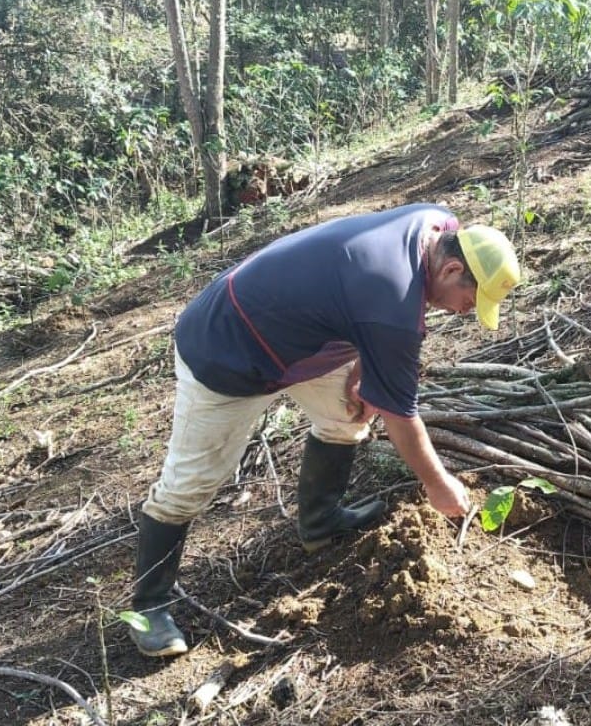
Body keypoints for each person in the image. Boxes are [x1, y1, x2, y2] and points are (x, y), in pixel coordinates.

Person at [130, 203, 521, 657]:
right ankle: (149, 607)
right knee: (190, 486)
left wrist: (363, 360)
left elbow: (356, 292)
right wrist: (438, 484)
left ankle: (320, 522)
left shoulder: (437, 224)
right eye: (469, 301)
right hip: (227, 349)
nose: (462, 313)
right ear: (452, 267)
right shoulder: (391, 300)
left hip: (296, 332)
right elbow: (401, 412)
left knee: (349, 412)